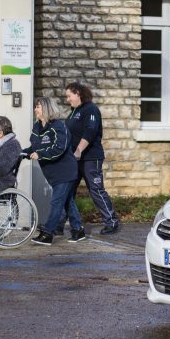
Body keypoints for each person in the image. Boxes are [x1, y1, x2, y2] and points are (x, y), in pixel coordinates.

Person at [25, 96, 84, 245]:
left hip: (65, 172)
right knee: (67, 202)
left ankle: (48, 233)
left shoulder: (58, 126)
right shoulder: (37, 127)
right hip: (52, 174)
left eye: (38, 106)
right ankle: (78, 230)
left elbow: (59, 148)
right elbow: (34, 147)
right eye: (36, 106)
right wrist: (22, 152)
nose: (35, 109)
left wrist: (41, 154)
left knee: (56, 202)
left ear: (47, 108)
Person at [64, 81, 120, 235]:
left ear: (78, 94)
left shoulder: (91, 110)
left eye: (69, 96)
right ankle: (58, 224)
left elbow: (90, 131)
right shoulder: (73, 112)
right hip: (74, 160)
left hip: (90, 158)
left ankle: (112, 222)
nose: (67, 99)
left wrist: (79, 150)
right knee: (67, 191)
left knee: (96, 190)